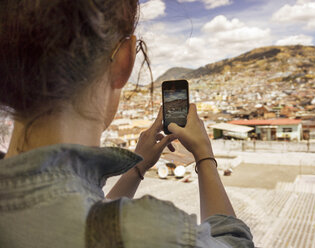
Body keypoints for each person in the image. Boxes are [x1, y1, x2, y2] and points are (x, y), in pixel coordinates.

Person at [0, 0, 254, 247]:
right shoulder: (154, 233)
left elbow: (71, 219)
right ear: (124, 59)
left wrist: (137, 168)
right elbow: (233, 242)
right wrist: (205, 157)